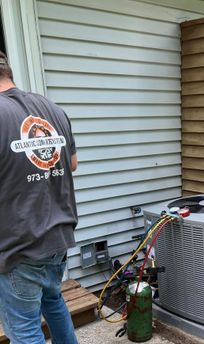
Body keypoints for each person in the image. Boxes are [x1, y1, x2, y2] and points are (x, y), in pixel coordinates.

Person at [0, 51, 78, 343]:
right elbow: (71, 163)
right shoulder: (51, 107)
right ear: (9, 73)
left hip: (19, 244)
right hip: (58, 237)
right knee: (53, 300)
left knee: (24, 328)